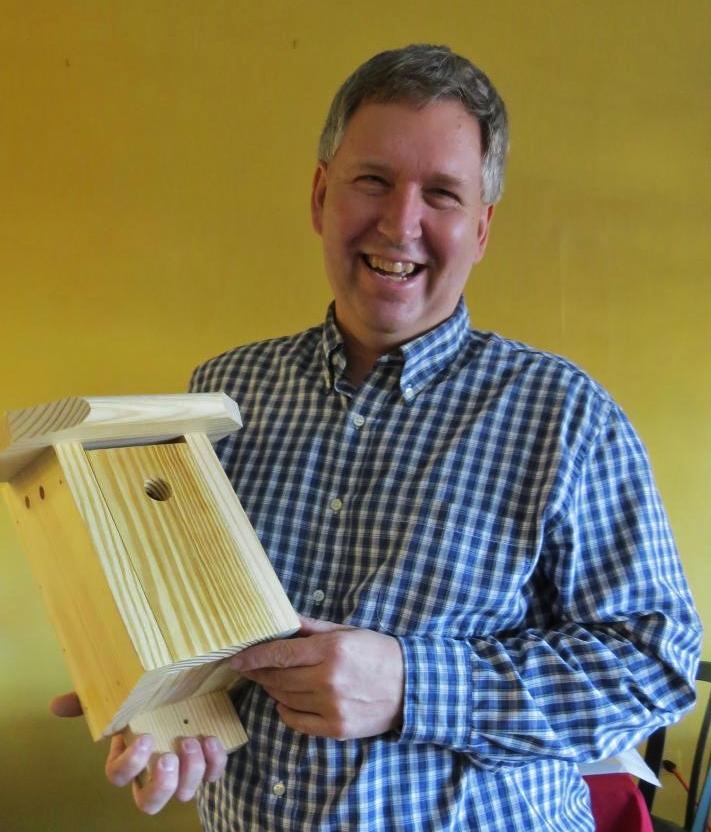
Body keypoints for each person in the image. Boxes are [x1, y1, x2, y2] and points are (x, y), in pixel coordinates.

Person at [53, 44, 701, 830]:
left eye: (442, 193)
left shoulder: (565, 415)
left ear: (482, 228)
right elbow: (186, 611)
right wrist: (158, 701)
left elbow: (652, 668)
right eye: (372, 180)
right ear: (321, 195)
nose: (400, 223)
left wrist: (413, 685)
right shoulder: (222, 393)